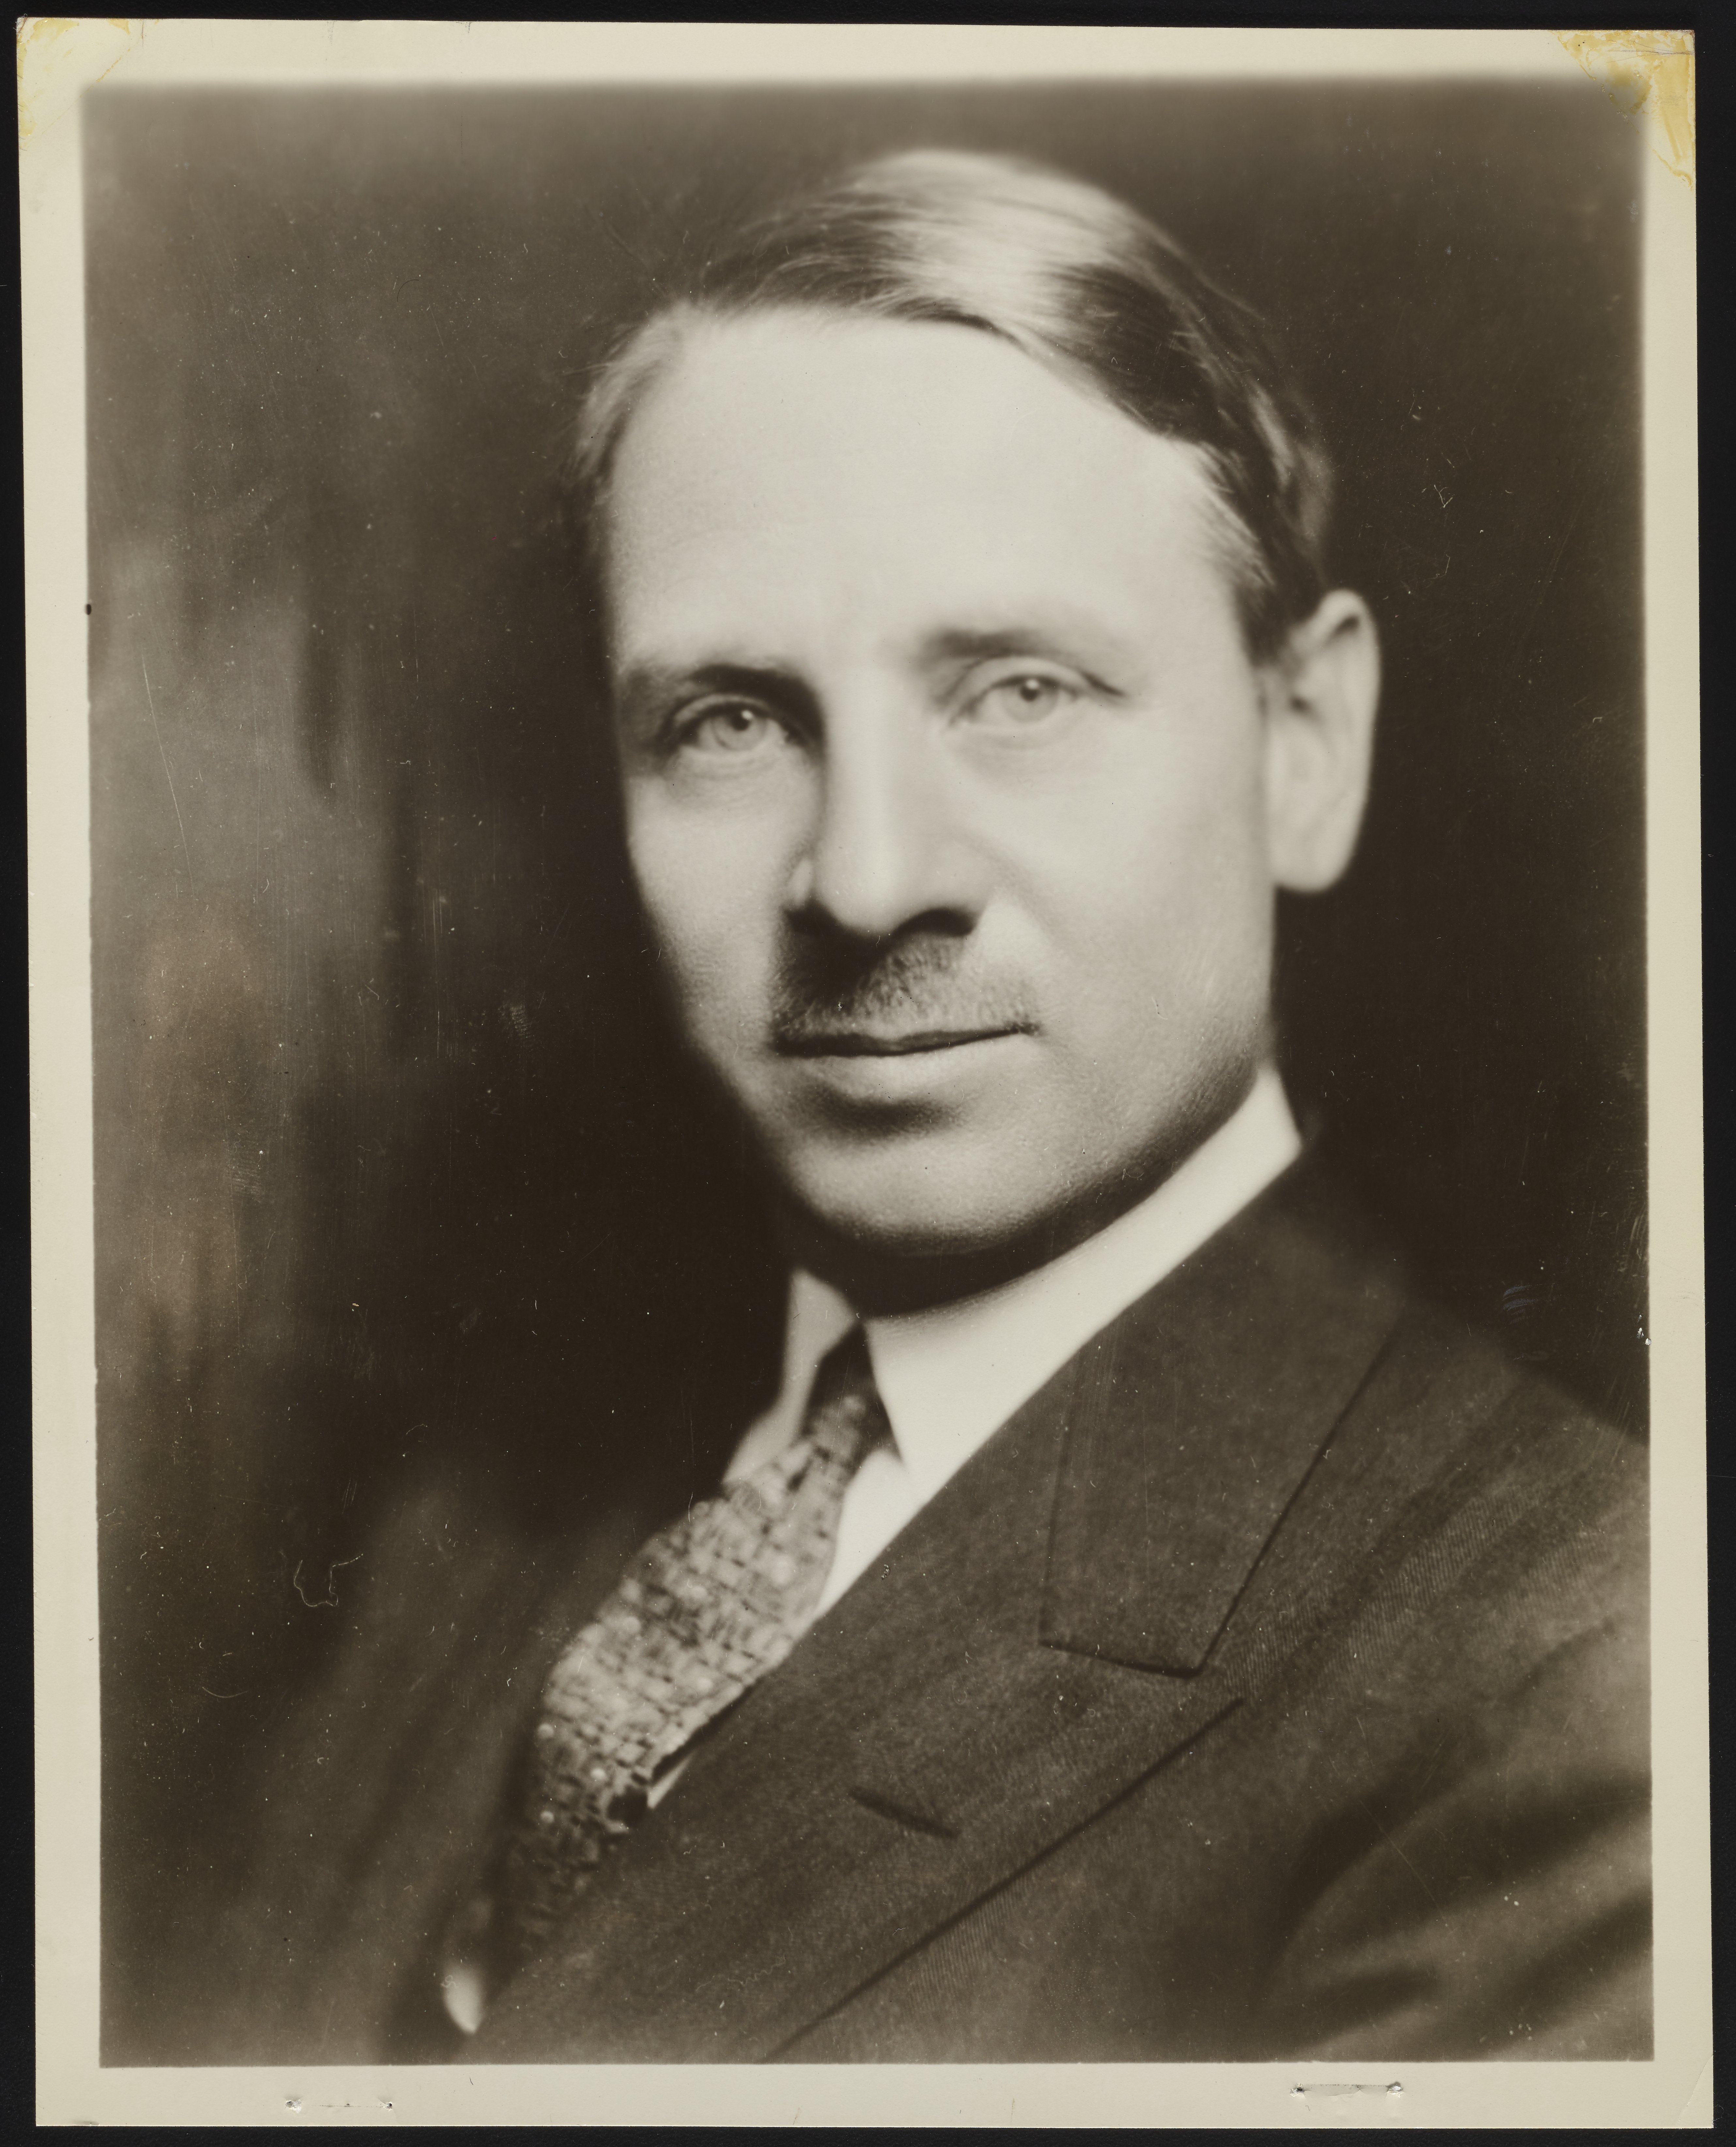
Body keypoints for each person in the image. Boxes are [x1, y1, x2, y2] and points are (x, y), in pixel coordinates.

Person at [200, 149, 1649, 2063]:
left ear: (1303, 747)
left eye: (1021, 692)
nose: (868, 879)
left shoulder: (1578, 1670)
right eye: (731, 720)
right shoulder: (478, 1500)